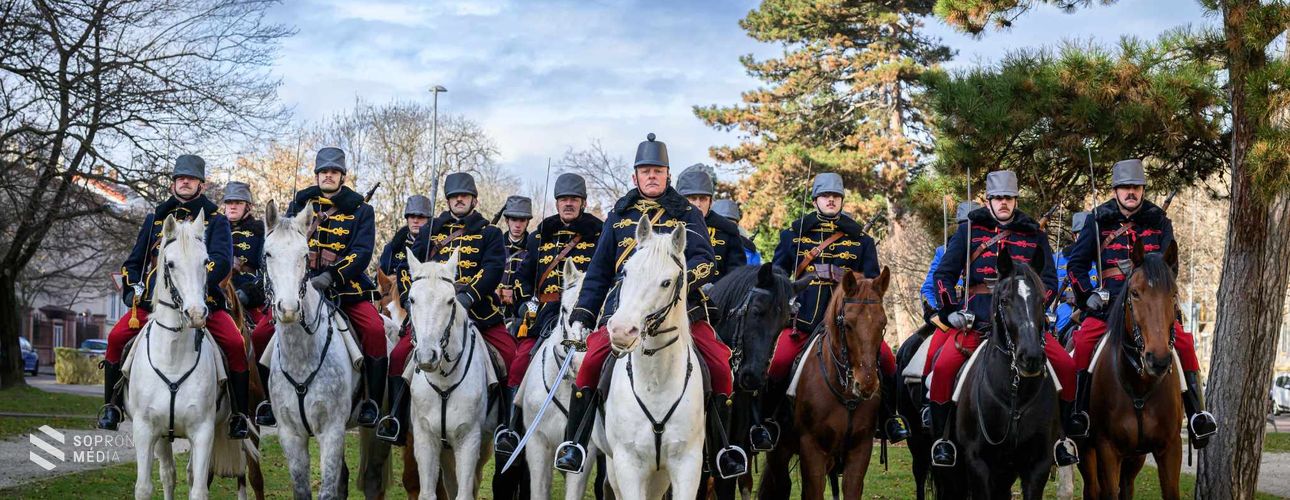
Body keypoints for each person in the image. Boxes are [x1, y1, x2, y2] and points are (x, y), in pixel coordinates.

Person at [552, 133, 746, 478]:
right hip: (624, 310)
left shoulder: (686, 212)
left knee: (719, 365)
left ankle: (722, 450)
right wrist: (583, 313)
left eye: (658, 170)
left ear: (667, 175)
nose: (652, 176)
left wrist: (680, 282)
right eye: (645, 171)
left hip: (681, 311)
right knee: (590, 363)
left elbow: (705, 260)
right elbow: (598, 270)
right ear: (635, 177)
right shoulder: (620, 214)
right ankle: (576, 444)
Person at [924, 170, 1078, 467]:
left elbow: (1049, 279)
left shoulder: (1033, 233)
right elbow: (944, 275)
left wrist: (1034, 306)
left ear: (1015, 199)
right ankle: (943, 441)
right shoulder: (970, 231)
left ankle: (1062, 438)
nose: (1003, 203)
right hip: (977, 316)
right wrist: (949, 311)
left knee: (1067, 366)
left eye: (1008, 198)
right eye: (998, 198)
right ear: (989, 200)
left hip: (1022, 322)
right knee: (942, 368)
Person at [98, 155, 252, 438]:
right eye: (180, 178)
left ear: (200, 186)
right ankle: (112, 406)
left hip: (202, 300)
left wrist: (193, 285)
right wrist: (133, 289)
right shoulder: (154, 217)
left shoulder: (216, 220)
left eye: (191, 179)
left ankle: (240, 415)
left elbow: (221, 259)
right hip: (156, 303)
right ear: (173, 184)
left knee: (234, 343)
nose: (184, 181)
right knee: (116, 338)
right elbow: (133, 263)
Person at [1067, 159, 1216, 447]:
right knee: (1084, 343)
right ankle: (1078, 414)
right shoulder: (1097, 220)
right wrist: (1088, 297)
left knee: (1184, 343)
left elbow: (1171, 267)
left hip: (1152, 306)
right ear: (1115, 190)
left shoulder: (1159, 220)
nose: (1130, 193)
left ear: (1143, 189)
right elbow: (1076, 265)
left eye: (1135, 187)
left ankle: (1197, 414)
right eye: (1125, 188)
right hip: (1108, 305)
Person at [767, 173, 909, 442]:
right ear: (815, 200)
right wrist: (788, 298)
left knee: (889, 361)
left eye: (836, 196)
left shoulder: (861, 240)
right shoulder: (793, 236)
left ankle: (890, 418)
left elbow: (873, 282)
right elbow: (777, 274)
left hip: (849, 326)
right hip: (805, 320)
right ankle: (769, 422)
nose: (831, 200)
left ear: (842, 200)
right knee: (779, 362)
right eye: (825, 196)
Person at [250, 147, 385, 428]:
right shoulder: (298, 205)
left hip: (343, 290)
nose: (328, 176)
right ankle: (269, 401)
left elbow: (361, 252)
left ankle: (371, 401)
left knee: (374, 330)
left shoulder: (362, 210)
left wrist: (332, 276)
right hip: (299, 289)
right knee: (262, 332)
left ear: (342, 177)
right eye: (323, 171)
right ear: (317, 175)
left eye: (334, 172)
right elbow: (284, 245)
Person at [377, 172, 514, 445]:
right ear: (448, 201)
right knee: (400, 355)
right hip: (432, 314)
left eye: (464, 195)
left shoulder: (490, 233)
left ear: (474, 199)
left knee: (510, 355)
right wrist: (408, 300)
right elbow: (407, 268)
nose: (459, 200)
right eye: (454, 196)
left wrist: (466, 297)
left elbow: (493, 269)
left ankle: (506, 428)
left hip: (479, 312)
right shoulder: (431, 231)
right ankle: (396, 419)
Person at [493, 173, 603, 462]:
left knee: (593, 361)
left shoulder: (599, 234)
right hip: (544, 314)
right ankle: (512, 428)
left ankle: (605, 430)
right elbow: (523, 281)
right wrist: (530, 312)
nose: (569, 204)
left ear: (583, 202)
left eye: (574, 199)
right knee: (520, 361)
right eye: (564, 199)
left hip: (584, 316)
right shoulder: (541, 235)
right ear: (556, 203)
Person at [677, 164, 747, 280]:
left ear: (711, 202)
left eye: (703, 199)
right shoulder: (668, 224)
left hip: (716, 295)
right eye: (692, 198)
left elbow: (736, 276)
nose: (698, 204)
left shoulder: (728, 230)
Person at [495, 195, 533, 322]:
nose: (517, 225)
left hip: (521, 312)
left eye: (522, 220)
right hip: (493, 309)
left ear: (527, 222)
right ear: (507, 221)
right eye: (514, 220)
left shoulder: (534, 248)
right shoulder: (494, 245)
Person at [711, 199, 761, 266]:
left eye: (730, 224)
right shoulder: (701, 245)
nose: (725, 228)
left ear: (737, 225)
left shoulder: (750, 252)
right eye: (721, 224)